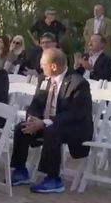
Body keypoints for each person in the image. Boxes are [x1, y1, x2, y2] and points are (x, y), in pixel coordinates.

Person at [10, 48, 93, 194]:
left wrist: (44, 123)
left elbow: (76, 114)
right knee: (21, 128)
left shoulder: (78, 83)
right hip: (48, 123)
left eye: (43, 64)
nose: (40, 67)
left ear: (53, 66)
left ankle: (53, 178)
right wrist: (32, 119)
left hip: (74, 127)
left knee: (52, 131)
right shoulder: (44, 79)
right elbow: (36, 103)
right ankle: (20, 170)